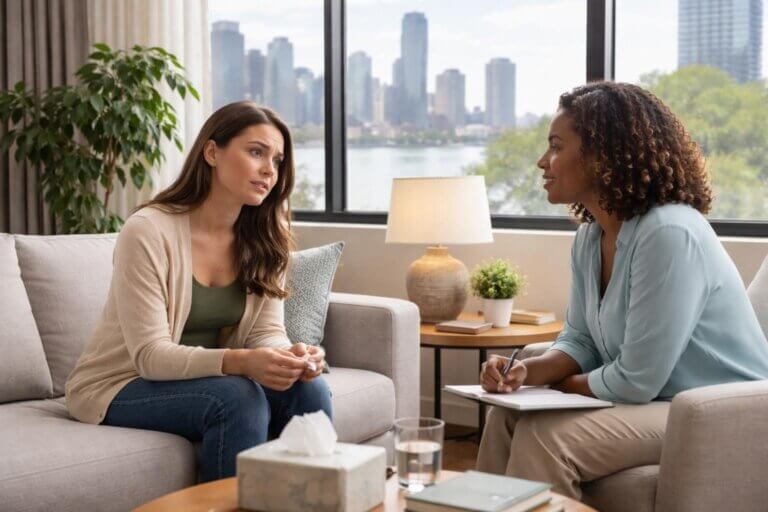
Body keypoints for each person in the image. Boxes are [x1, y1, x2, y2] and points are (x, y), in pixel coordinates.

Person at [476, 82, 768, 499]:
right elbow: (579, 340)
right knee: (503, 416)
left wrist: (556, 387)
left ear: (602, 156)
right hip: (657, 402)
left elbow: (636, 380)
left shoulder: (669, 232)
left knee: (546, 437)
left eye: (556, 147)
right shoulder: (590, 238)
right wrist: (524, 374)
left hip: (719, 411)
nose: (543, 161)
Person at [65, 101, 332, 482]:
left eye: (277, 160)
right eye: (256, 152)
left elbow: (265, 333)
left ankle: (314, 502)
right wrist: (243, 361)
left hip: (201, 379)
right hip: (120, 384)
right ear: (211, 152)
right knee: (239, 398)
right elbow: (150, 356)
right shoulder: (148, 231)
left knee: (310, 391)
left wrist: (290, 356)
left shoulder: (265, 238)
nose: (269, 170)